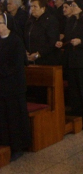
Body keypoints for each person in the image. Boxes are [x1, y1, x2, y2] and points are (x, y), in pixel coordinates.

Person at [56, 0, 83, 130]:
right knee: (74, 89)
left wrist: (81, 41)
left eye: (74, 6)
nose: (72, 8)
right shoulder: (70, 21)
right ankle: (77, 114)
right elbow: (68, 37)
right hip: (71, 59)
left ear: (81, 7)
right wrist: (61, 43)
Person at [0, 12, 31, 162]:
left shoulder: (16, 41)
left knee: (14, 116)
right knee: (3, 117)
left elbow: (17, 65)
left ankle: (18, 146)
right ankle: (5, 143)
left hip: (14, 85)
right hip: (2, 85)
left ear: (7, 24)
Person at [24, 0, 61, 65]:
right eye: (31, 7)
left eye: (35, 7)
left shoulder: (50, 21)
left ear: (43, 8)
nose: (32, 9)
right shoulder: (30, 21)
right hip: (31, 59)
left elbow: (52, 41)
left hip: (46, 59)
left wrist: (39, 54)